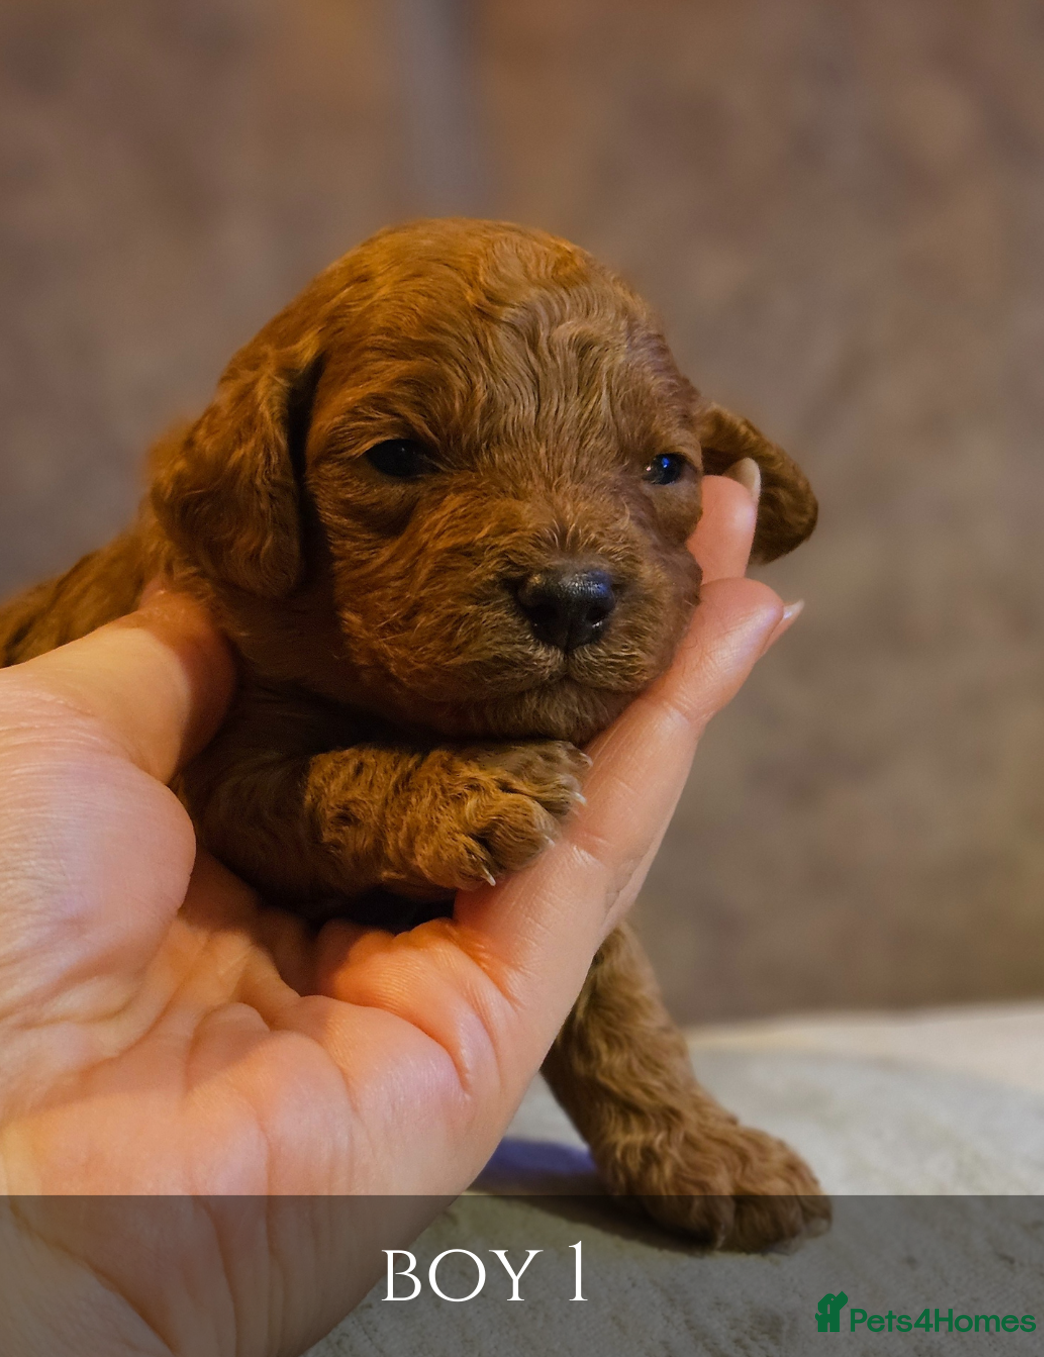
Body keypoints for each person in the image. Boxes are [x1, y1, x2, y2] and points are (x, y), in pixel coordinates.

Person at [0, 475, 799, 1355]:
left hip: (252, 1106)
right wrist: (407, 802)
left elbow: (544, 912)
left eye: (653, 469)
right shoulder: (228, 610)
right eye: (405, 456)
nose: (569, 569)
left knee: (557, 873)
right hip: (152, 996)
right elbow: (233, 791)